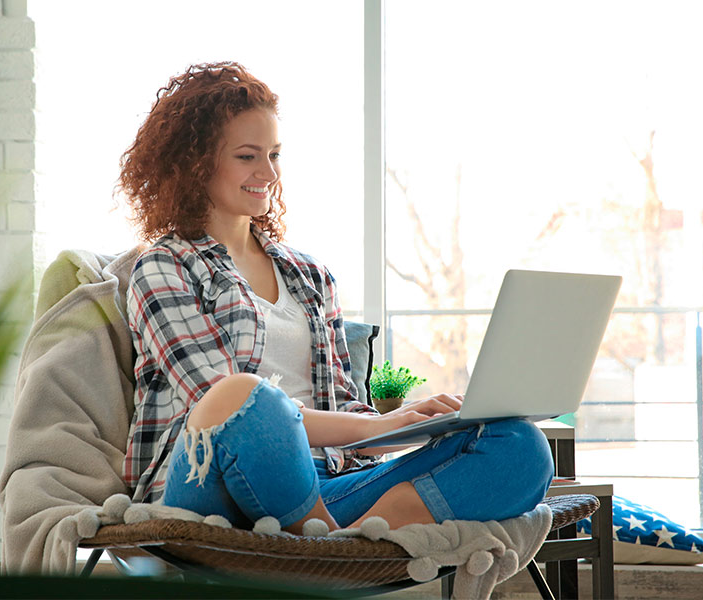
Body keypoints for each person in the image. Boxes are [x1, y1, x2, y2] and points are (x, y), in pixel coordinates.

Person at [118, 61, 553, 535]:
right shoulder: (164, 266)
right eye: (248, 156)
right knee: (246, 396)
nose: (268, 172)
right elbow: (219, 406)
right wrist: (375, 429)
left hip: (325, 486)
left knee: (520, 445)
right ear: (196, 163)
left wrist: (419, 423)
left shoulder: (310, 275)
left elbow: (344, 407)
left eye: (275, 155)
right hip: (209, 487)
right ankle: (327, 548)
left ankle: (341, 538)